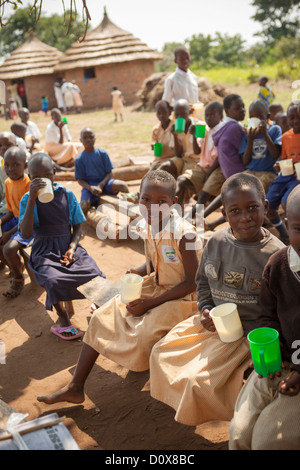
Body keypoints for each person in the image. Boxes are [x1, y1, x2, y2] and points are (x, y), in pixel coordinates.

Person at [36, 169, 202, 404]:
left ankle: (151, 373)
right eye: (146, 200)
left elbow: (191, 281)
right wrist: (138, 270)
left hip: (184, 299)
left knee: (143, 333)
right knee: (102, 316)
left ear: (174, 203)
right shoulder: (148, 226)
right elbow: (156, 262)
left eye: (161, 202)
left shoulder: (184, 234)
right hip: (157, 287)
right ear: (137, 198)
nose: (152, 207)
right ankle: (75, 386)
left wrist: (149, 304)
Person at [149, 173, 284, 427]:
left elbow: (282, 311)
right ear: (225, 213)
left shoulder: (275, 255)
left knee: (197, 381)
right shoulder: (216, 242)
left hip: (247, 337)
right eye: (235, 211)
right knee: (160, 353)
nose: (245, 218)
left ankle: (240, 419)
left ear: (265, 207)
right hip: (213, 326)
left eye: (253, 208)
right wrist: (206, 309)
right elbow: (202, 284)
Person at [229, 184, 300, 450]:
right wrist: (267, 355)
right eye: (299, 229)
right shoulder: (278, 265)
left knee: (267, 442)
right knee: (239, 433)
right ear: (285, 223)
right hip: (279, 363)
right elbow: (267, 315)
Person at [19, 152, 105, 339]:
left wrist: (72, 248)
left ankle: (97, 302)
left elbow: (77, 226)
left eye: (47, 175)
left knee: (93, 271)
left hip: (67, 245)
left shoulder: (66, 194)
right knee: (52, 280)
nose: (43, 181)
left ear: (54, 173)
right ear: (29, 178)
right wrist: (33, 199)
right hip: (44, 250)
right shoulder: (27, 199)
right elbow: (25, 234)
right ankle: (63, 318)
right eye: (36, 178)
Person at [202, 94, 246, 231]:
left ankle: (201, 219)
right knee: (239, 203)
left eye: (243, 107)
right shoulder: (235, 128)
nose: (243, 110)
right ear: (227, 111)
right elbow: (245, 155)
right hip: (237, 171)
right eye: (238, 108)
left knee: (227, 196)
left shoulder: (224, 127)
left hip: (227, 171)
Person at [179, 101, 225, 217]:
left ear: (221, 116)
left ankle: (190, 218)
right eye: (206, 115)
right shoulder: (206, 130)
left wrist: (208, 173)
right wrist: (194, 136)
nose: (208, 118)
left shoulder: (222, 131)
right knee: (182, 180)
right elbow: (197, 151)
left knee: (203, 195)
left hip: (217, 169)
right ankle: (175, 211)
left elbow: (220, 157)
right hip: (204, 166)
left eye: (212, 115)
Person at [265, 100, 300, 244]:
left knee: (288, 203)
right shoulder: (286, 137)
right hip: (286, 175)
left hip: (298, 179)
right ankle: (284, 233)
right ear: (288, 119)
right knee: (268, 205)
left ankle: (295, 238)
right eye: (292, 118)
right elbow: (284, 158)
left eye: (299, 117)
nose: (296, 121)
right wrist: (279, 165)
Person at [75, 127, 129, 215]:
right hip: (89, 188)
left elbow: (109, 173)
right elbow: (80, 180)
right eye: (85, 138)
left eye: (91, 137)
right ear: (81, 140)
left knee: (122, 185)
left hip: (104, 184)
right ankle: (82, 224)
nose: (88, 139)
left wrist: (101, 185)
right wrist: (90, 188)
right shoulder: (79, 159)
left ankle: (130, 212)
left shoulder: (102, 153)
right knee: (84, 206)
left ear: (95, 138)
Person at [0, 147, 31, 298]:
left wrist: (8, 233)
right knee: (1, 243)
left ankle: (18, 279)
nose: (11, 169)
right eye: (7, 165)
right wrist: (1, 221)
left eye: (16, 165)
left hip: (29, 225)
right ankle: (16, 266)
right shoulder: (7, 182)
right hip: (16, 221)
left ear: (25, 165)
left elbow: (27, 217)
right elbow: (12, 211)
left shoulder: (28, 184)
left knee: (8, 249)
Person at [159, 99, 203, 205]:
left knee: (182, 180)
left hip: (197, 161)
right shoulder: (174, 127)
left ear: (190, 112)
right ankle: (157, 195)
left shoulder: (200, 125)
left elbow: (198, 152)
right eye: (177, 114)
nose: (180, 117)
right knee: (165, 166)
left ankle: (176, 208)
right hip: (182, 159)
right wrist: (174, 135)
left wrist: (194, 134)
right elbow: (178, 154)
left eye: (183, 114)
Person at [241, 99, 282, 194]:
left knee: (256, 186)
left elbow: (275, 155)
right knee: (234, 184)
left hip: (269, 173)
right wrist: (250, 140)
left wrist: (265, 134)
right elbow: (245, 161)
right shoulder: (247, 134)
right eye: (252, 117)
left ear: (267, 116)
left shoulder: (274, 130)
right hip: (251, 171)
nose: (255, 119)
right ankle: (201, 208)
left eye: (259, 116)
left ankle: (260, 208)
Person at [150, 100, 176, 170]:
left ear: (170, 112)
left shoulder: (174, 127)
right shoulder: (156, 129)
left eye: (164, 112)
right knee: (149, 176)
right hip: (159, 159)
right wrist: (153, 145)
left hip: (172, 159)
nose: (161, 115)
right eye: (159, 113)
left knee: (160, 173)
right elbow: (154, 141)